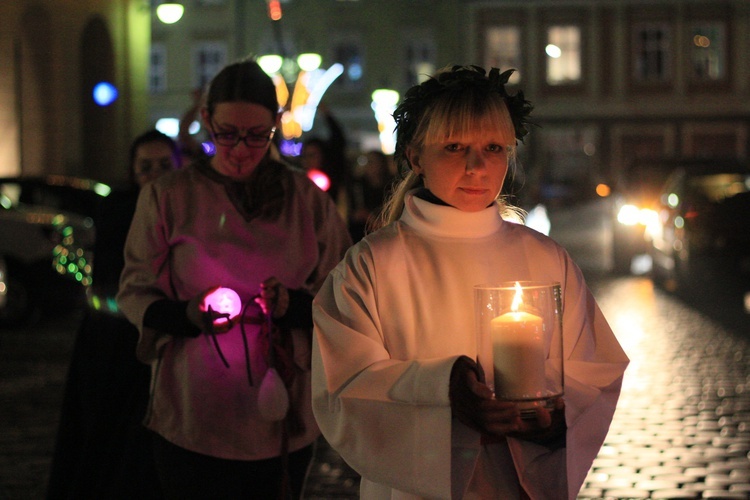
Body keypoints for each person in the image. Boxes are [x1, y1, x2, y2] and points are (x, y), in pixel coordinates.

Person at [311, 65, 629, 499]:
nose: (477, 166)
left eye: (494, 147)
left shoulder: (545, 258)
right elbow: (343, 387)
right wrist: (448, 390)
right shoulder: (371, 266)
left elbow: (594, 368)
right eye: (455, 146)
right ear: (416, 156)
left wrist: (551, 415)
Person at [116, 59, 352, 499]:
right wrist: (186, 314)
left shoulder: (307, 200)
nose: (241, 149)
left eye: (256, 135)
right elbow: (135, 287)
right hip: (193, 410)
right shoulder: (168, 197)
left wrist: (292, 306)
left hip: (281, 412)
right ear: (207, 120)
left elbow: (343, 294)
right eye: (227, 134)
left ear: (276, 125)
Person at [47, 129, 181, 499]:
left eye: (163, 165)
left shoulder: (188, 209)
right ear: (132, 171)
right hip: (114, 345)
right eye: (145, 167)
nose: (154, 175)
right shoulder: (120, 209)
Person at [347, 150, 395, 241]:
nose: (372, 166)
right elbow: (353, 212)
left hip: (386, 231)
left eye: (376, 162)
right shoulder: (358, 185)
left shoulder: (392, 186)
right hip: (362, 233)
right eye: (369, 162)